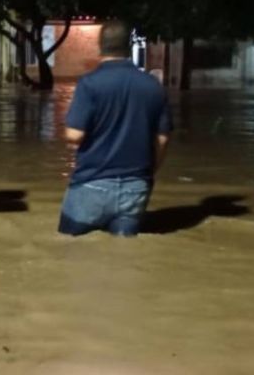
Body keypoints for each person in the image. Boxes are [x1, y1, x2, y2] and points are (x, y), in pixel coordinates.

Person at [59, 19, 172, 236]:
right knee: (124, 253)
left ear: (100, 46)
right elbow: (163, 139)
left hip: (91, 184)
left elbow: (74, 135)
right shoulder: (153, 86)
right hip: (136, 187)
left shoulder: (89, 83)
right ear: (128, 47)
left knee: (67, 252)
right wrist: (148, 173)